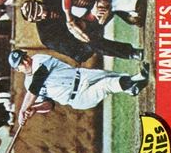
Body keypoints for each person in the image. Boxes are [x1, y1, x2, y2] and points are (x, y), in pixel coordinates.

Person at [8, 50, 149, 119]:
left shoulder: (38, 59)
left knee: (115, 76)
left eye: (25, 57)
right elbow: (49, 105)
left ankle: (132, 87)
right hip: (77, 98)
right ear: (17, 70)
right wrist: (35, 108)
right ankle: (137, 78)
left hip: (82, 76)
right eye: (21, 63)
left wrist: (22, 110)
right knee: (106, 85)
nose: (26, 62)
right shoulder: (28, 86)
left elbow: (37, 82)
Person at [20, 0, 143, 63]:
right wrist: (83, 25)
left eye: (39, 9)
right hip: (79, 45)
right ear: (35, 21)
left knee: (102, 0)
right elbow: (74, 47)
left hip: (85, 19)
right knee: (90, 42)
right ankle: (131, 53)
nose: (43, 14)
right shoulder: (46, 36)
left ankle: (130, 17)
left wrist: (93, 9)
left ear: (40, 2)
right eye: (37, 16)